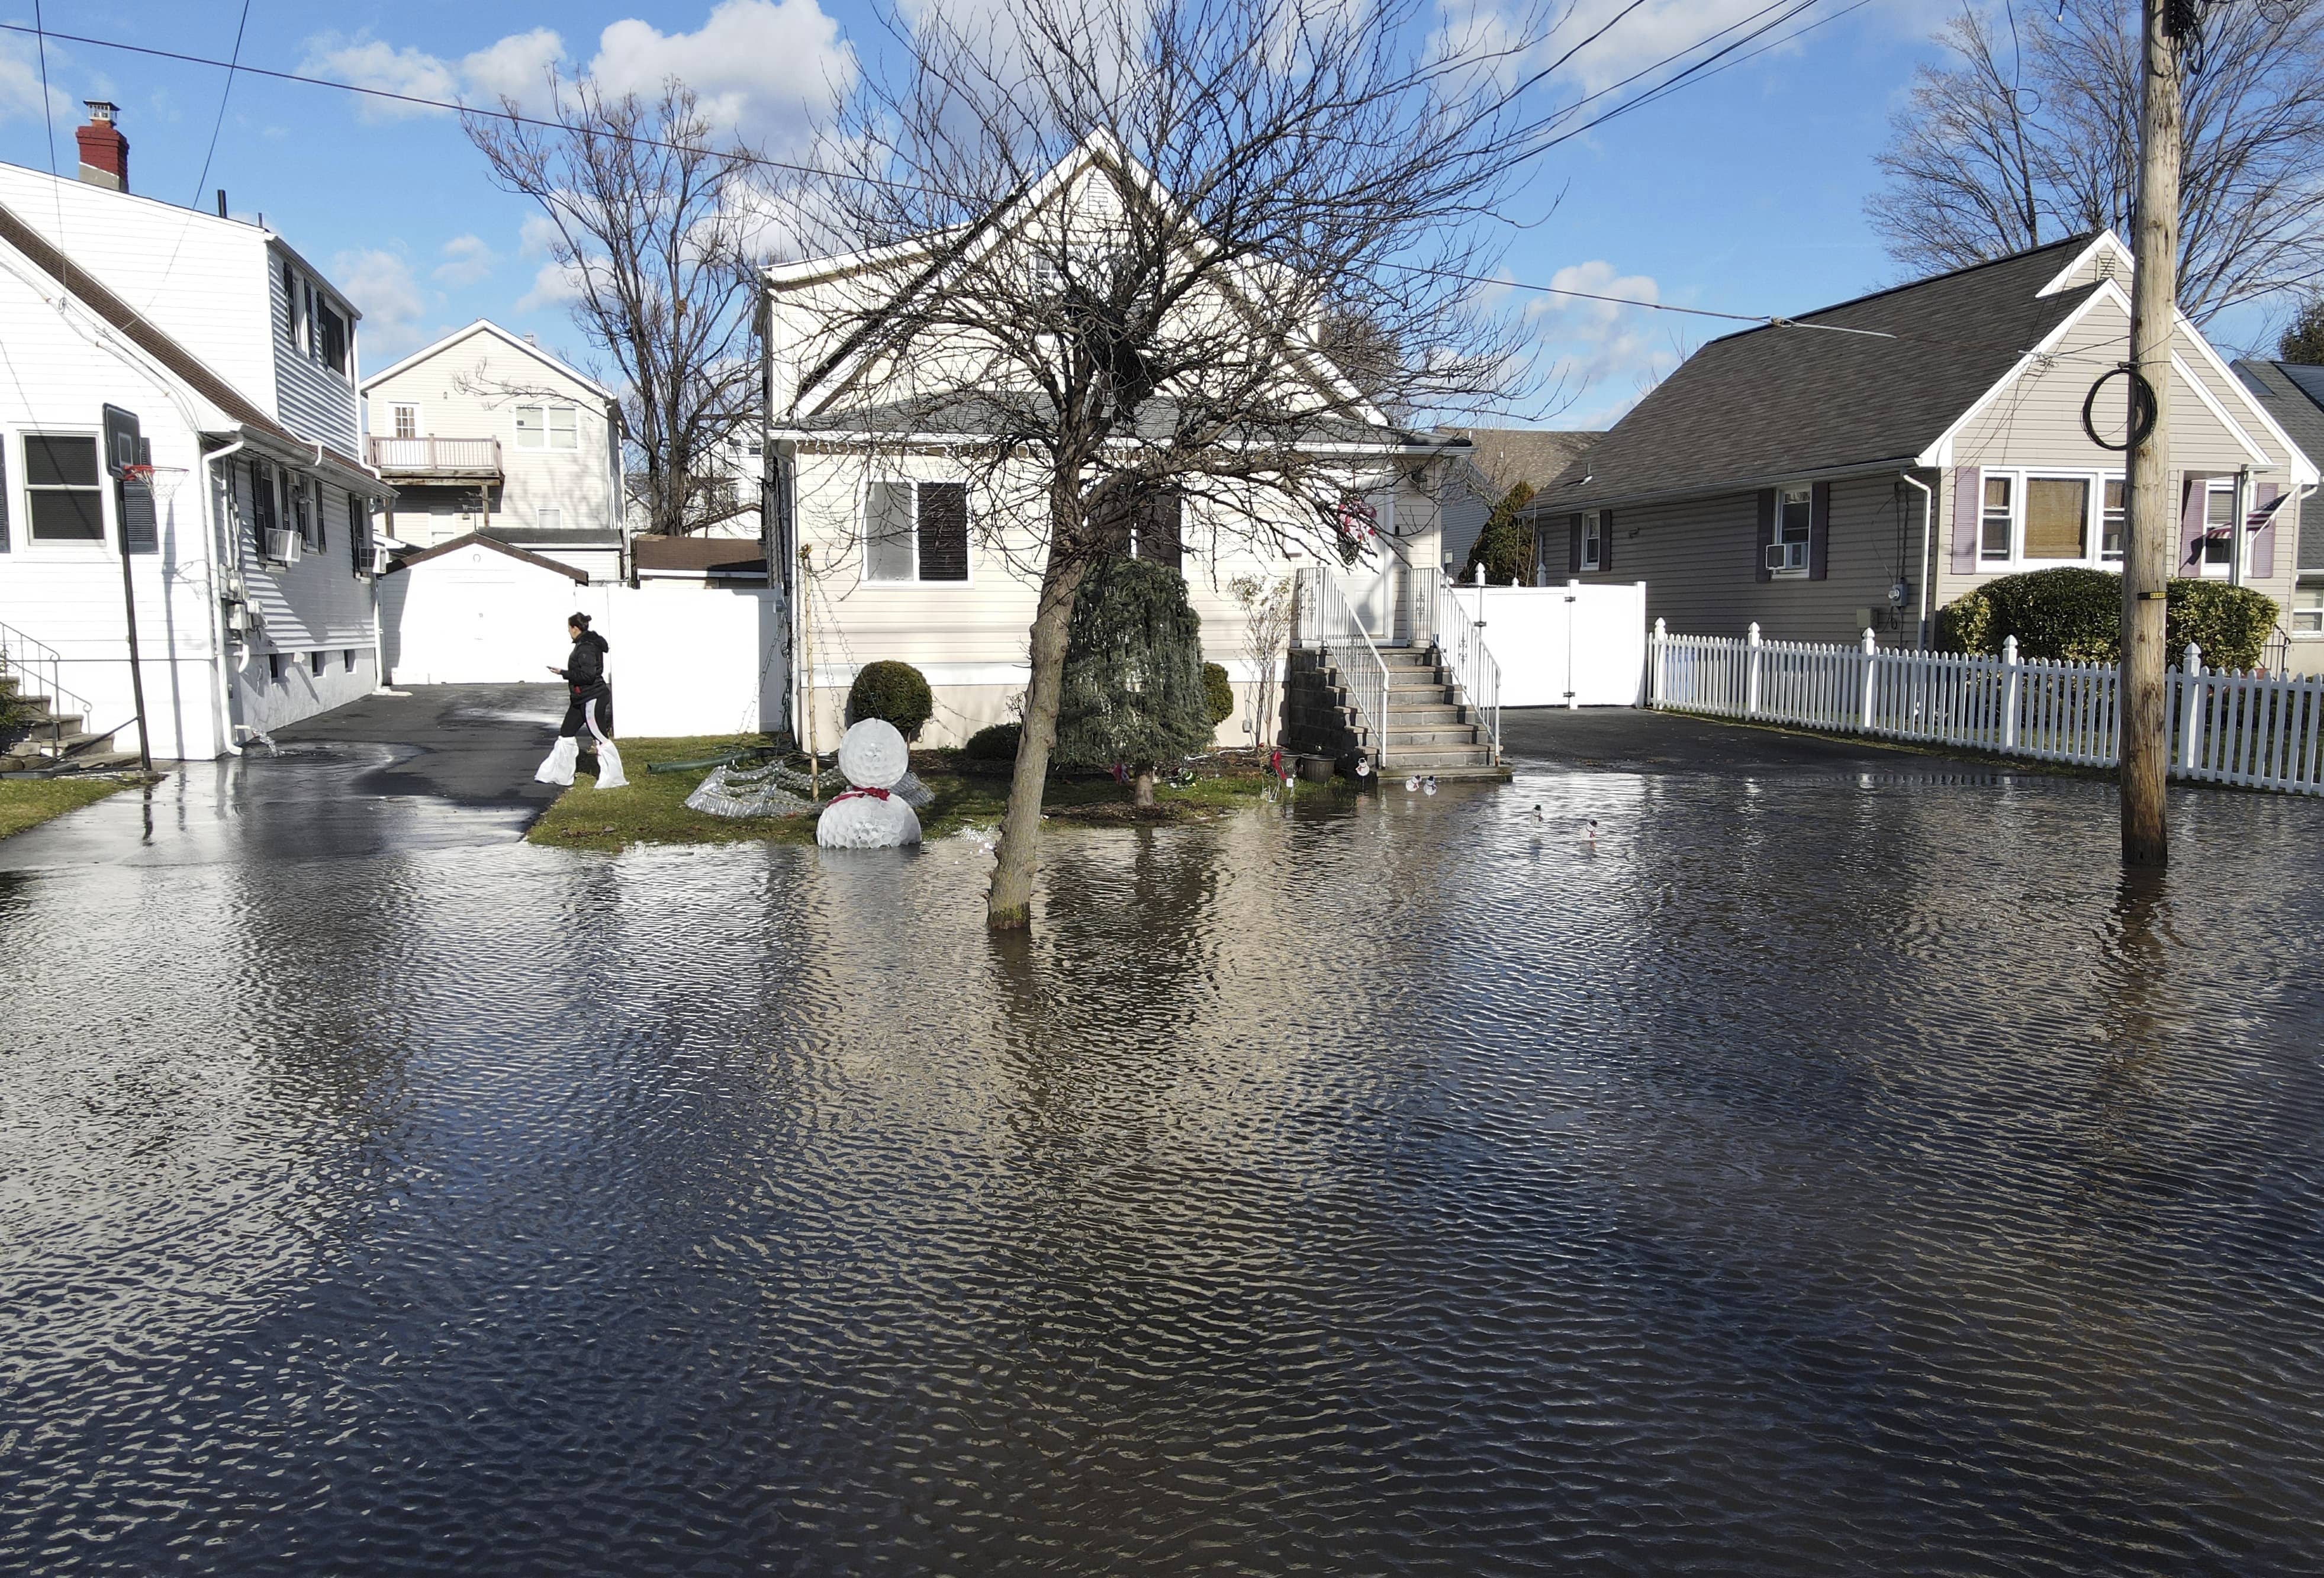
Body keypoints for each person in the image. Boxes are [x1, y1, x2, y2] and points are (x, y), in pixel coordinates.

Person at [535, 611, 627, 789]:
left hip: (592, 697)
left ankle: (613, 777)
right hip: (580, 698)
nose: (569, 632)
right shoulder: (586, 643)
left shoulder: (586, 647)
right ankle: (559, 775)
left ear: (576, 628)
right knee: (566, 732)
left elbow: (588, 675)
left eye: (569, 628)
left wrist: (563, 673)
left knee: (600, 736)